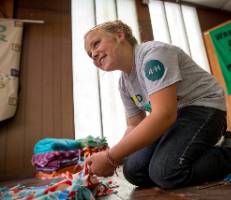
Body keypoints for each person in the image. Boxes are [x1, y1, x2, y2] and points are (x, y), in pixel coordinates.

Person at [84, 20, 231, 189]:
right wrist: (116, 157)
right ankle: (195, 152)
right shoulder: (124, 84)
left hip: (204, 108)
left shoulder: (154, 54)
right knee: (133, 171)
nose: (93, 54)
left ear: (119, 35)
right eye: (90, 54)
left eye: (96, 44)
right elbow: (134, 124)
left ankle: (226, 150)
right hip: (176, 119)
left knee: (166, 173)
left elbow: (164, 114)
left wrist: (111, 157)